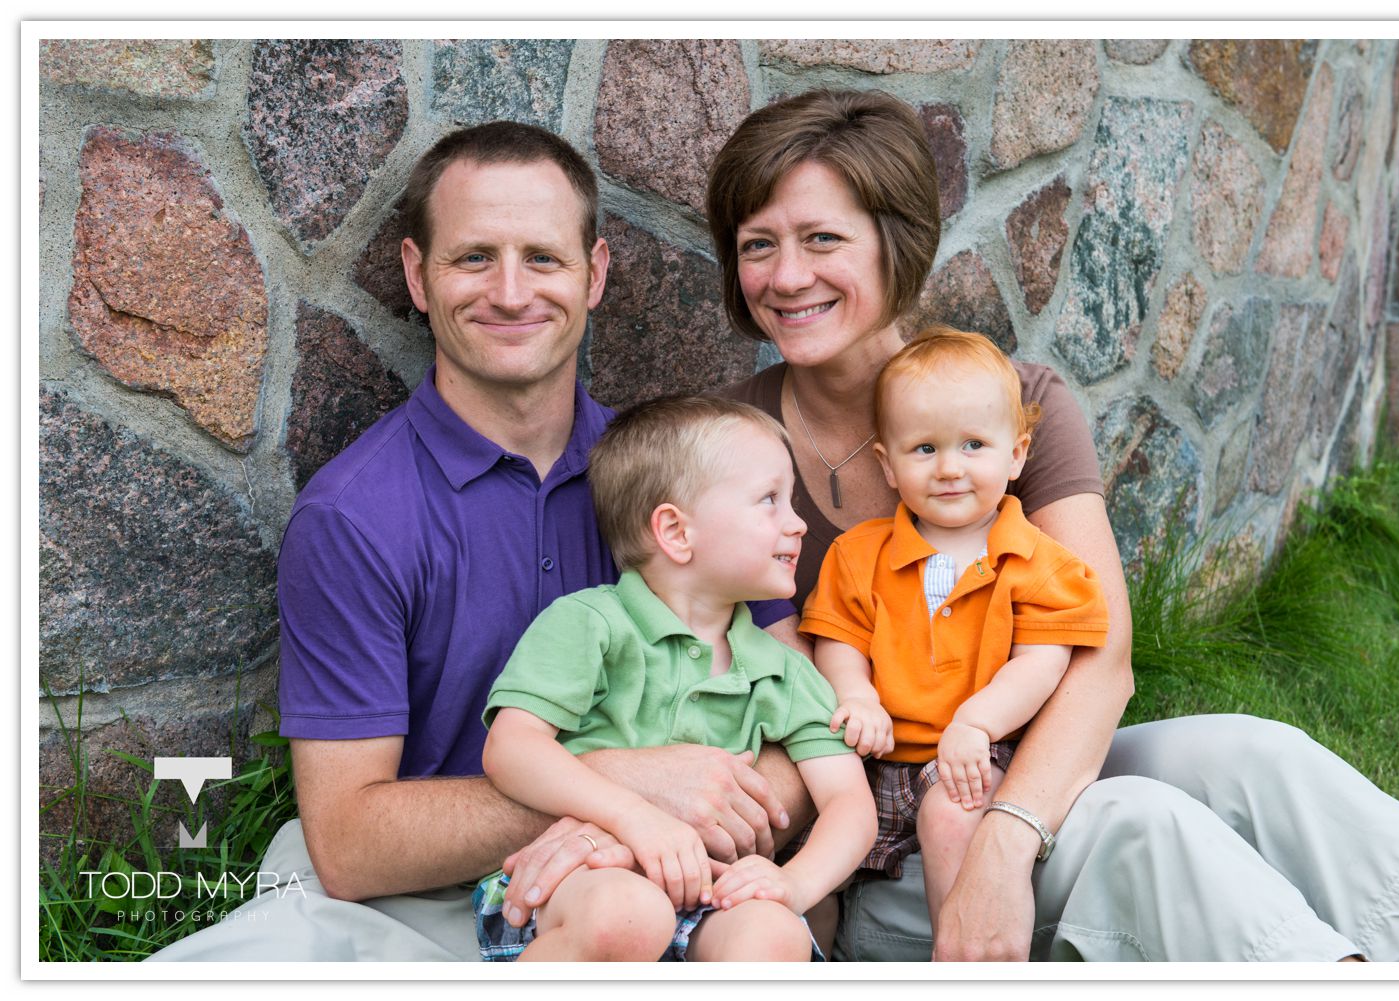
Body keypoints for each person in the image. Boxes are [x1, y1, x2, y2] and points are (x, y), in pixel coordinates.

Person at [710, 87, 1399, 962]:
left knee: (1255, 754)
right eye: (757, 245)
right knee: (1135, 822)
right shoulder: (726, 447)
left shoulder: (1016, 401)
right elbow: (784, 704)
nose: (786, 275)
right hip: (889, 840)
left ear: (897, 241)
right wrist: (976, 840)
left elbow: (1100, 657)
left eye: (822, 239)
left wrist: (1010, 831)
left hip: (1021, 769)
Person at [149, 121, 812, 961]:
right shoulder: (354, 516)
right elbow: (351, 842)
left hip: (659, 880)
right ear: (417, 277)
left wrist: (651, 825)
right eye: (472, 258)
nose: (508, 292)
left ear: (594, 273)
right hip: (414, 903)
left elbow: (800, 737)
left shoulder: (683, 485)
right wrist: (615, 792)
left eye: (543, 257)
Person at [472, 395, 876, 961]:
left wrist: (794, 884)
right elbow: (510, 749)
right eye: (770, 501)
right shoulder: (591, 624)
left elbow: (848, 804)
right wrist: (635, 818)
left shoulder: (782, 669)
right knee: (629, 917)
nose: (798, 522)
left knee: (774, 933)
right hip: (573, 882)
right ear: (675, 531)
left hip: (704, 893)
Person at [799, 326, 1108, 940]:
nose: (949, 469)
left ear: (1016, 454)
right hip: (874, 757)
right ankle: (820, 960)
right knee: (816, 851)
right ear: (887, 464)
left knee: (953, 818)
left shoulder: (1039, 561)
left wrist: (978, 723)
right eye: (923, 450)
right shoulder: (861, 554)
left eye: (973, 445)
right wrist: (856, 695)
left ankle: (961, 949)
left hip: (973, 751)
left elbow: (1040, 663)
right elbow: (839, 639)